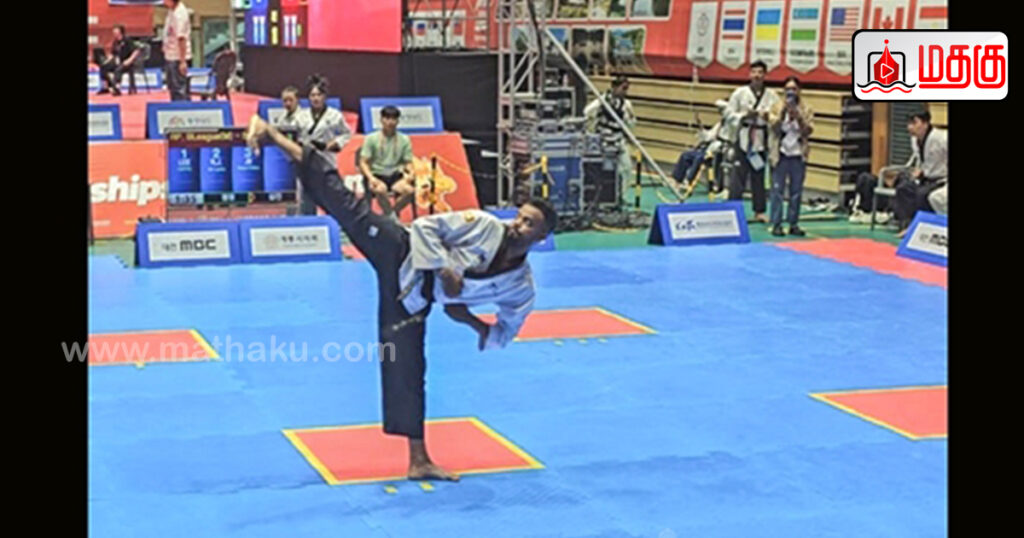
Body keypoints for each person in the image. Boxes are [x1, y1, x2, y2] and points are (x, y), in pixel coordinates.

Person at [244, 114, 557, 481]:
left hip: (411, 300)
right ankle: (273, 135)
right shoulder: (486, 226)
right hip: (400, 250)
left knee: (407, 367)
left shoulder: (520, 287)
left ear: (542, 237)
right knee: (345, 204)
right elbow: (424, 226)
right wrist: (444, 267)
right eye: (519, 217)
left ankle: (418, 460)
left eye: (528, 224)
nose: (517, 225)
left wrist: (473, 321)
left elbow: (505, 332)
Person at [724, 60, 779, 223]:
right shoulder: (740, 93)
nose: (757, 75)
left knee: (758, 177)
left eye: (760, 72)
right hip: (743, 139)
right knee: (737, 177)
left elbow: (777, 117)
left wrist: (767, 117)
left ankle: (759, 211)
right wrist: (744, 116)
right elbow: (728, 114)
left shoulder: (772, 95)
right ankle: (733, 210)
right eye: (754, 72)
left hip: (760, 140)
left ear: (765, 75)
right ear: (749, 74)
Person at [294, 74, 352, 214]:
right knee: (306, 199)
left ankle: (333, 222)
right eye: (312, 95)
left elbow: (346, 134)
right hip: (307, 162)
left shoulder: (334, 115)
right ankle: (307, 221)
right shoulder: (300, 116)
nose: (316, 98)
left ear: (324, 96)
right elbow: (293, 136)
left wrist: (333, 144)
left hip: (326, 160)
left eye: (319, 95)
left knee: (332, 199)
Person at [767, 76, 814, 237]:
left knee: (796, 191)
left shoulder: (806, 108)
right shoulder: (776, 107)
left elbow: (809, 130)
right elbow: (773, 127)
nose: (791, 92)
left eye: (794, 89)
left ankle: (793, 223)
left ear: (799, 91)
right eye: (788, 89)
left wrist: (798, 117)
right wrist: (783, 113)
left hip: (798, 154)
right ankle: (776, 224)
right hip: (780, 154)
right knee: (777, 190)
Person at [585, 75, 637, 206]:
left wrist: (631, 118)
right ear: (614, 87)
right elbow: (587, 112)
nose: (625, 92)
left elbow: (631, 124)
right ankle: (604, 198)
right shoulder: (601, 101)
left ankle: (621, 197)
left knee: (627, 169)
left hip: (619, 141)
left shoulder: (626, 105)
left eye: (627, 89)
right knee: (605, 171)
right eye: (623, 88)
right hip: (604, 142)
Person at [893, 110, 947, 237]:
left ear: (925, 123)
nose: (910, 127)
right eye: (908, 123)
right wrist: (920, 170)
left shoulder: (942, 138)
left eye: (914, 123)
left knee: (922, 194)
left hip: (942, 180)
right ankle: (907, 225)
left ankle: (925, 229)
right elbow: (924, 160)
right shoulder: (914, 140)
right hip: (926, 178)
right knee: (903, 189)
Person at [360, 106, 416, 218]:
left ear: (398, 121)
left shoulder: (404, 139)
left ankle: (390, 215)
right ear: (381, 120)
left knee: (410, 191)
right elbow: (363, 162)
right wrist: (371, 178)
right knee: (380, 190)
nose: (390, 122)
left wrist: (411, 173)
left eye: (394, 119)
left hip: (395, 175)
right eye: (387, 118)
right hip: (377, 175)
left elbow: (408, 162)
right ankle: (391, 217)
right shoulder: (371, 138)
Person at [97, 25, 142, 96]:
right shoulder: (115, 42)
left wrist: (129, 60)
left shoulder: (127, 40)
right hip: (118, 61)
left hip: (128, 62)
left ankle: (117, 88)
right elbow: (112, 54)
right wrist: (107, 62)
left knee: (118, 69)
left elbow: (137, 51)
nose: (114, 33)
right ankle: (106, 87)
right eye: (113, 32)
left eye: (116, 31)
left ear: (120, 32)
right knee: (103, 67)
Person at [162, 0, 192, 101]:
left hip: (178, 58)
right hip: (170, 56)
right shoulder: (172, 10)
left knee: (180, 91)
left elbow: (181, 39)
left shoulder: (180, 14)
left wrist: (182, 62)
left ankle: (183, 109)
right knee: (173, 89)